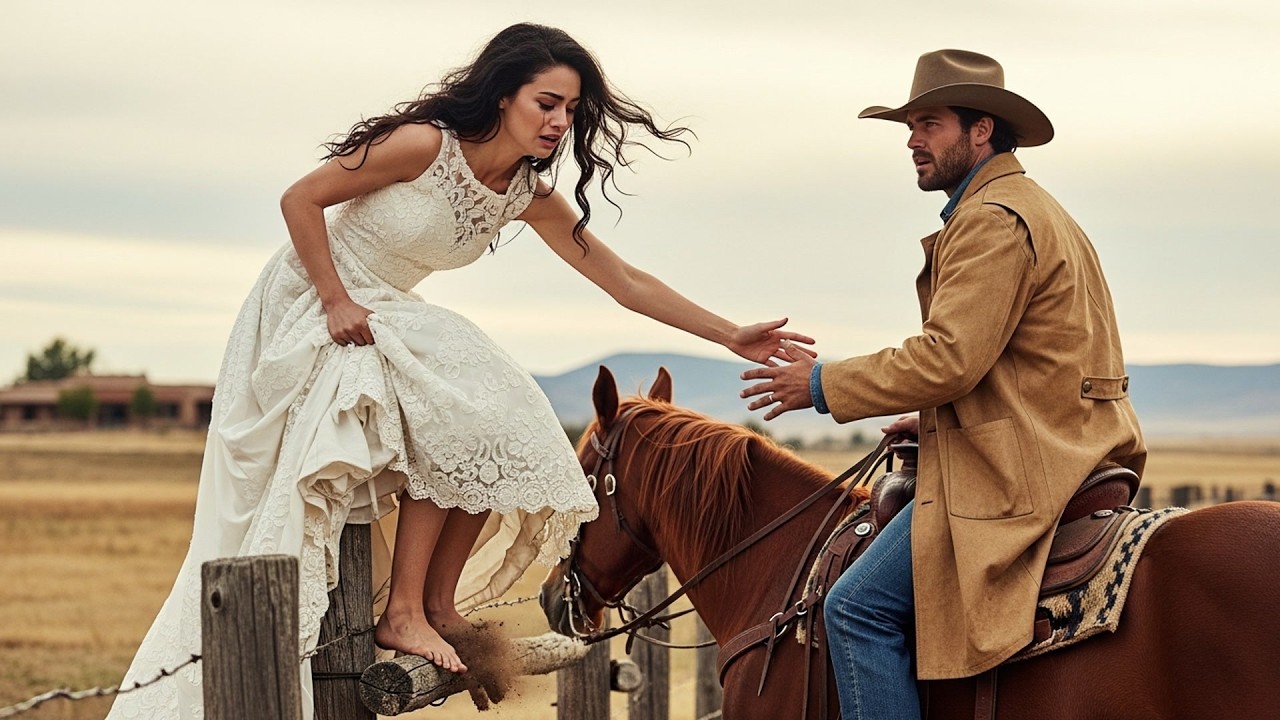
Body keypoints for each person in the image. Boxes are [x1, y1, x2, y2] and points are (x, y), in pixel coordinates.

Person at [107, 23, 813, 720]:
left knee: (502, 419)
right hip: (313, 299)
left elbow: (622, 279)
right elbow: (301, 199)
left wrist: (729, 335)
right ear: (504, 96)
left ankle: (436, 606)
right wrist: (334, 299)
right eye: (546, 103)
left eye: (570, 110)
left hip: (383, 307)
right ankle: (406, 610)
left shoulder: (524, 193)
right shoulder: (423, 145)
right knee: (475, 396)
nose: (559, 123)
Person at [740, 49, 1146, 719]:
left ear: (980, 129)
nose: (911, 141)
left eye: (928, 124)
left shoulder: (991, 219)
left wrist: (818, 384)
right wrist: (935, 422)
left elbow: (950, 359)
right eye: (910, 126)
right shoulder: (1039, 208)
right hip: (1070, 445)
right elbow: (1024, 365)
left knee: (856, 609)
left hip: (1028, 470)